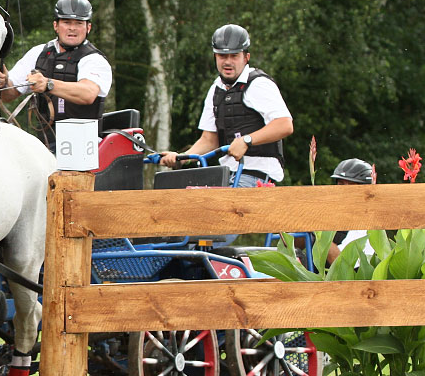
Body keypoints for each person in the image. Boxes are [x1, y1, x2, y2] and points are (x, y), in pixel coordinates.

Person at [159, 24, 293, 187]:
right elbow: (209, 140)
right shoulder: (216, 89)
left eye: (234, 56)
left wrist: (246, 140)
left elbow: (285, 124)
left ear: (246, 57)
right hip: (225, 175)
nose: (228, 62)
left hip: (256, 177)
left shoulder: (258, 84)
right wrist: (181, 158)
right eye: (222, 56)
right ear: (215, 57)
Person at [0, 0, 112, 149]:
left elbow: (88, 94)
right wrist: (2, 82)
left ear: (88, 27)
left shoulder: (94, 60)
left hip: (85, 146)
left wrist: (48, 84)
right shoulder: (38, 53)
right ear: (56, 26)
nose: (72, 28)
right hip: (44, 144)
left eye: (78, 23)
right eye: (66, 22)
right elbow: (9, 95)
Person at [326, 158, 374, 264]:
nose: (345, 191)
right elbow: (292, 244)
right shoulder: (333, 214)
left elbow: (343, 264)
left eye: (351, 185)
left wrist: (320, 235)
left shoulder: (367, 223)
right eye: (341, 184)